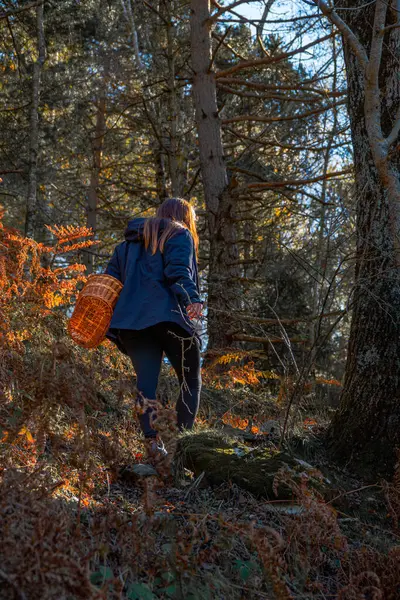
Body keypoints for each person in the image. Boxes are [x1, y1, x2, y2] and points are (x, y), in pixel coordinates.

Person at [105, 198, 203, 459]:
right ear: (185, 217)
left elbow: (109, 283)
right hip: (171, 317)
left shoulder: (125, 246)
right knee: (190, 381)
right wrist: (192, 299)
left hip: (133, 324)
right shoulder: (179, 233)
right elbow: (178, 271)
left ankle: (152, 445)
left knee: (145, 385)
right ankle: (182, 448)